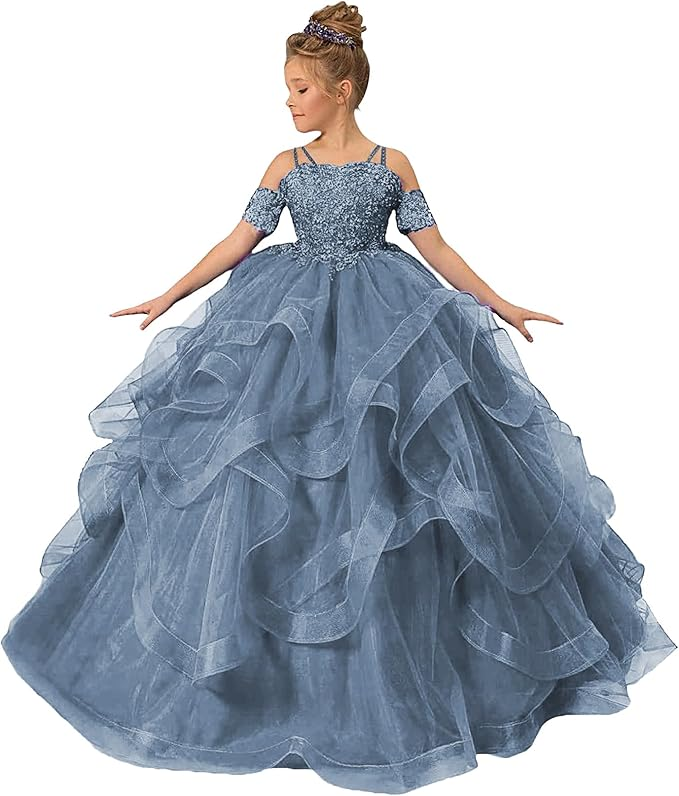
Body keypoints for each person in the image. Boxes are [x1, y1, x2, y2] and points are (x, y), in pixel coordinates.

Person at [2, 3, 676, 793]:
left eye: (300, 89)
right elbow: (239, 240)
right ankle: (267, 685)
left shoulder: (395, 165)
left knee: (386, 479)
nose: (289, 101)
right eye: (289, 88)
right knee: (259, 477)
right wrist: (170, 292)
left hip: (383, 323)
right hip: (283, 325)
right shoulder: (284, 165)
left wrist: (498, 301)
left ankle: (388, 679)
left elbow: (434, 245)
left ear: (342, 90)